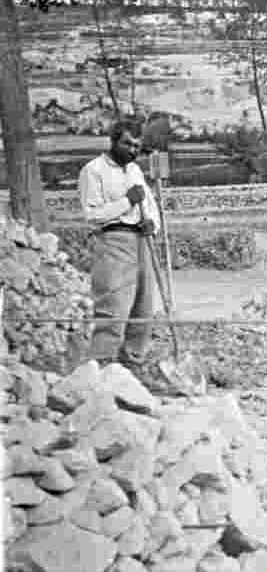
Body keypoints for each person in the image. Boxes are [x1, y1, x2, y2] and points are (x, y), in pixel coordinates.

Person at [78, 118, 162, 379]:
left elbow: (149, 206)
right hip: (114, 240)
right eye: (127, 143)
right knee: (114, 306)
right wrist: (127, 201)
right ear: (113, 141)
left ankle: (131, 368)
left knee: (144, 308)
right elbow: (92, 214)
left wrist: (153, 224)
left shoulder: (135, 171)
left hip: (142, 242)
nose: (132, 150)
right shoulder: (93, 171)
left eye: (137, 146)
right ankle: (101, 369)